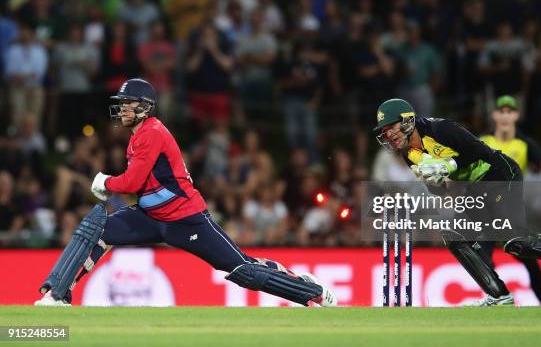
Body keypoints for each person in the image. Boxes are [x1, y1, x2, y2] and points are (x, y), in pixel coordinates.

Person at [34, 78, 336, 307]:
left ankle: (312, 291)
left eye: (128, 102)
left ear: (145, 106)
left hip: (187, 220)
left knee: (242, 270)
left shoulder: (151, 133)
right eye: (122, 102)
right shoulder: (141, 134)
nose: (123, 108)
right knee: (98, 228)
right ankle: (57, 294)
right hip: (152, 217)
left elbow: (130, 183)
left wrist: (104, 182)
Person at [373, 98, 541, 306]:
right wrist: (435, 181)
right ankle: (498, 294)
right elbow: (443, 193)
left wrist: (449, 165)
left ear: (407, 120)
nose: (389, 134)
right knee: (456, 235)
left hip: (500, 174)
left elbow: (480, 151)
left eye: (391, 126)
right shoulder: (409, 154)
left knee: (515, 241)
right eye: (384, 131)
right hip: (476, 189)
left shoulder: (440, 129)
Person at [480, 95, 541, 306]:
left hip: (510, 212)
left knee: (529, 260)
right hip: (486, 210)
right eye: (501, 112)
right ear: (494, 115)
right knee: (483, 258)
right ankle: (495, 297)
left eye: (509, 112)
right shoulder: (483, 142)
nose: (505, 116)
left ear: (516, 115)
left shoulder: (524, 144)